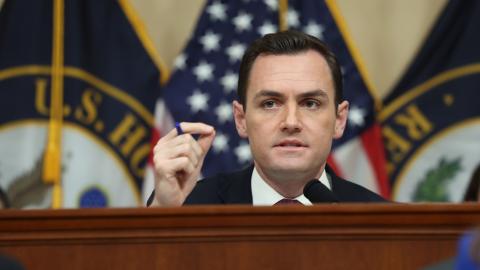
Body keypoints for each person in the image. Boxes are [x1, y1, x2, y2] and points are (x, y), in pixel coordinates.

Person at [148, 30, 386, 206]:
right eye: (270, 103)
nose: (291, 122)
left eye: (310, 103)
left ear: (339, 120)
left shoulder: (383, 222)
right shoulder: (186, 207)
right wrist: (165, 216)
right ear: (241, 119)